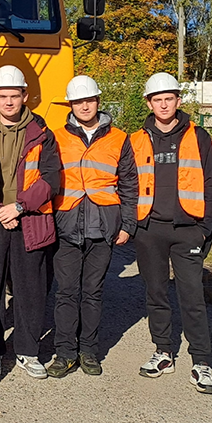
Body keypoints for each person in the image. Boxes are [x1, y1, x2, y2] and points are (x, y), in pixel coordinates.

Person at [131, 72, 212, 394]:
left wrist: (205, 228)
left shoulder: (199, 137)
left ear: (178, 101)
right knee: (155, 294)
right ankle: (163, 351)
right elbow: (127, 185)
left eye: (169, 98)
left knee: (192, 297)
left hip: (188, 230)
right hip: (150, 230)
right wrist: (134, 226)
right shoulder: (137, 139)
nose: (164, 104)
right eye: (158, 99)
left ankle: (202, 362)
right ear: (149, 102)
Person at [0, 65, 59, 380]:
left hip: (30, 221)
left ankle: (27, 351)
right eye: (3, 96)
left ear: (25, 96)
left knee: (31, 290)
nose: (9, 102)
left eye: (15, 96)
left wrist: (20, 206)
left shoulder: (42, 132)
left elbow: (52, 179)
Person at [48, 76, 138, 378]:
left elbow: (128, 184)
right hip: (67, 222)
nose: (84, 106)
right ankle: (64, 353)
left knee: (93, 292)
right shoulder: (56, 136)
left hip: (103, 223)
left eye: (89, 100)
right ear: (70, 105)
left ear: (98, 101)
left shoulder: (119, 138)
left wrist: (128, 224)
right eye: (78, 101)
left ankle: (88, 351)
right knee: (66, 292)